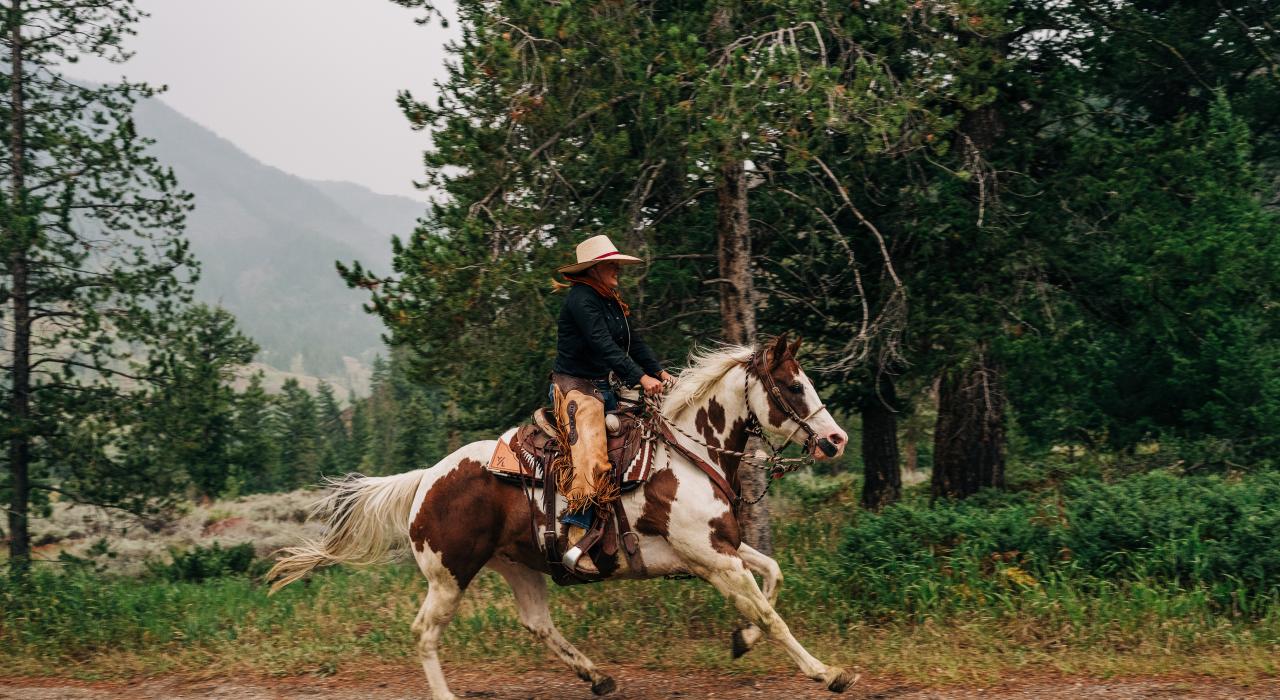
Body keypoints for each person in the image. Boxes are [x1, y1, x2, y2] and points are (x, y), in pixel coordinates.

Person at [551, 234, 673, 575]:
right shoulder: (581, 300)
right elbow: (604, 345)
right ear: (594, 270)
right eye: (611, 264)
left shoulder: (610, 300)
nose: (618, 269)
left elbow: (635, 342)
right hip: (575, 388)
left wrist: (659, 372)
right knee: (591, 454)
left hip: (604, 386)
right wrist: (641, 378)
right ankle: (576, 538)